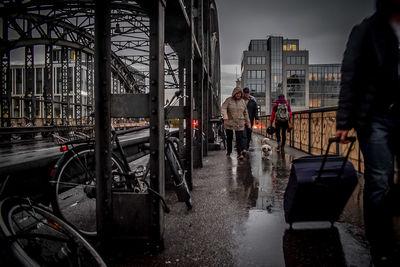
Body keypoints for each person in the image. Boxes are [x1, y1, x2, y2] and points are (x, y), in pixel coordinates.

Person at [335, 0, 400, 265]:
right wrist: (343, 121)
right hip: (375, 116)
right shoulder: (366, 31)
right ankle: (381, 250)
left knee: (383, 186)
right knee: (379, 182)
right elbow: (349, 75)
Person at [221, 86, 251, 160]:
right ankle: (229, 151)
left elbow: (245, 113)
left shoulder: (242, 102)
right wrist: (225, 115)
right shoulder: (229, 100)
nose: (238, 95)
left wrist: (248, 123)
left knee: (239, 138)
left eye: (240, 94)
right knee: (229, 138)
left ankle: (239, 153)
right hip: (230, 121)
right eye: (237, 93)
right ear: (234, 93)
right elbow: (223, 108)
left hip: (239, 122)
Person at [242, 87, 259, 152]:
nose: (246, 94)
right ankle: (244, 148)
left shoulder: (252, 101)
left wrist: (256, 119)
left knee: (249, 133)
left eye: (247, 93)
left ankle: (247, 146)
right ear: (243, 93)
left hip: (250, 120)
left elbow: (255, 111)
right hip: (241, 120)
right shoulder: (240, 101)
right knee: (243, 134)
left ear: (249, 93)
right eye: (245, 93)